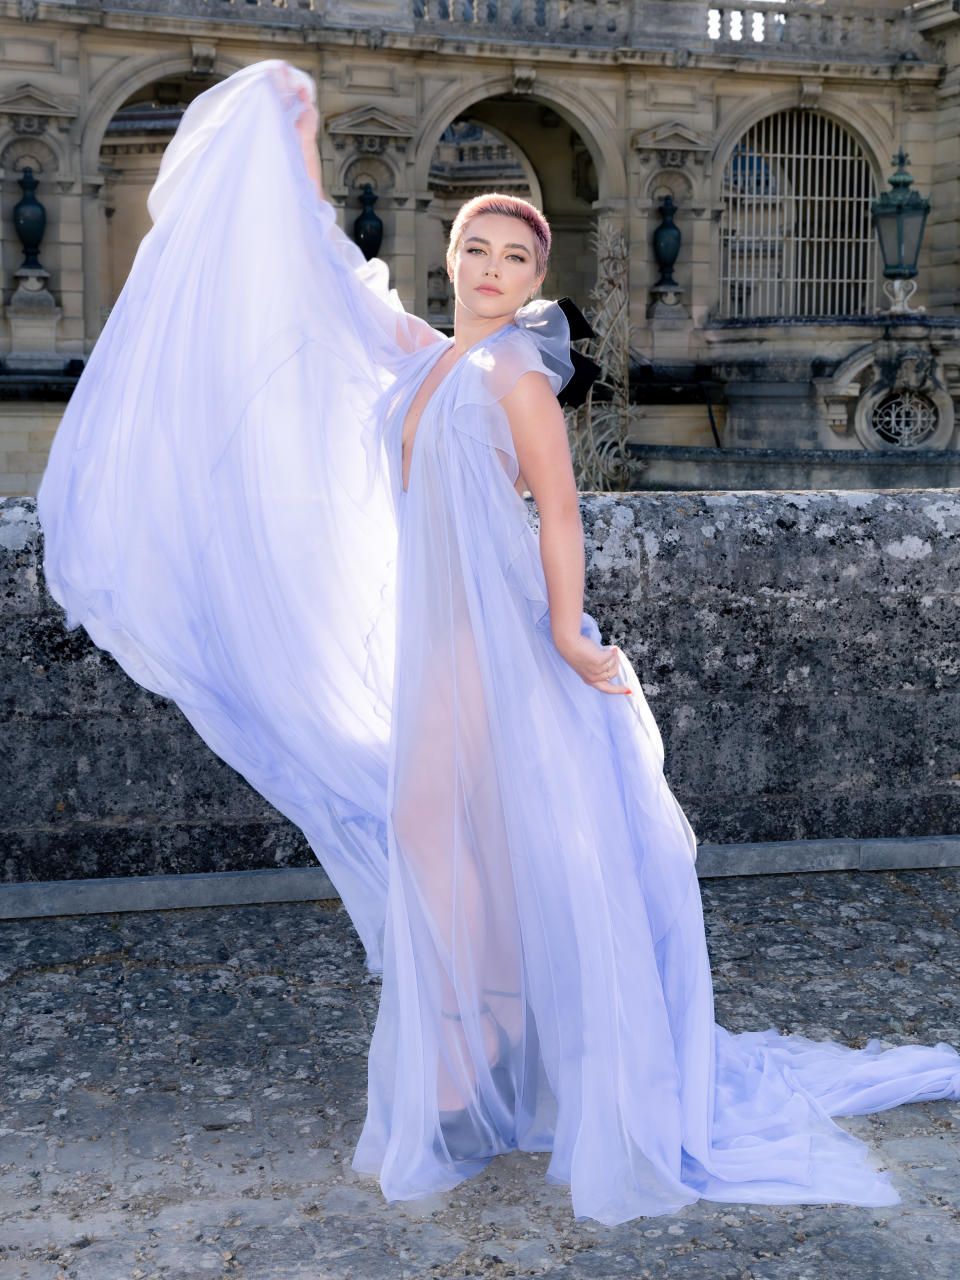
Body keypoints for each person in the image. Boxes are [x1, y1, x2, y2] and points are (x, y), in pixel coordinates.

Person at [38, 61, 960, 1226]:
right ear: (452, 259)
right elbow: (319, 270)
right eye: (476, 247)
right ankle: (481, 1058)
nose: (490, 266)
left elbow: (561, 512)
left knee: (435, 837)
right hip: (437, 640)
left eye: (515, 257)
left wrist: (570, 632)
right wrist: (299, 137)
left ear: (539, 277)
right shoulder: (432, 356)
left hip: (494, 643)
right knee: (449, 849)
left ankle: (469, 1065)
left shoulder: (517, 370)